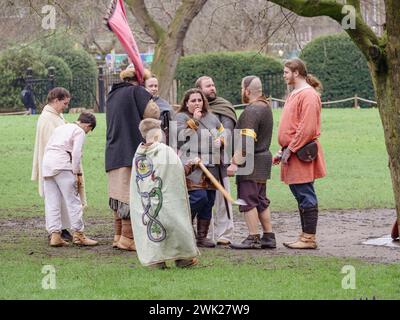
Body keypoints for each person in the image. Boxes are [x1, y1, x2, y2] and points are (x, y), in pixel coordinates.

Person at [130, 118, 199, 269]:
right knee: (176, 225)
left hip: (147, 201)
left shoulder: (139, 154)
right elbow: (179, 171)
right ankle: (183, 258)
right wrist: (191, 165)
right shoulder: (165, 151)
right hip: (165, 199)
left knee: (153, 226)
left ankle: (156, 261)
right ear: (157, 134)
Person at [273, 58, 326, 249]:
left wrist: (291, 148)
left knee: (305, 193)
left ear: (296, 73)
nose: (284, 75)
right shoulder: (295, 93)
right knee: (299, 192)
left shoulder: (309, 95)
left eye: (286, 72)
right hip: (293, 151)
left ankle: (308, 239)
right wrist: (283, 150)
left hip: (301, 151)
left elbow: (307, 128)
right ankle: (305, 236)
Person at [105, 65, 160, 251]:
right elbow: (153, 114)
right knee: (129, 196)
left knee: (117, 195)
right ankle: (127, 238)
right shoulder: (137, 92)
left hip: (113, 152)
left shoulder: (112, 95)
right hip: (131, 151)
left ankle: (118, 235)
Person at [227, 76, 276, 249]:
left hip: (251, 162)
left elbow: (247, 141)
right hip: (262, 159)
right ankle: (269, 236)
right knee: (261, 199)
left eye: (242, 88)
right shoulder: (265, 107)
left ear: (247, 90)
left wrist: (234, 162)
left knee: (248, 199)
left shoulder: (252, 110)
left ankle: (253, 237)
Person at [174, 88, 224, 248]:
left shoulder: (212, 117)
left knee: (209, 200)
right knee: (198, 197)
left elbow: (223, 133)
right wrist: (194, 121)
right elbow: (181, 138)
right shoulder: (181, 117)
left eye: (199, 100)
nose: (197, 103)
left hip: (212, 164)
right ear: (186, 103)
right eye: (193, 100)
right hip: (192, 164)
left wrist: (221, 141)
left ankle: (202, 237)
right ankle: (184, 226)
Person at [32, 87, 81, 242]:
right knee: (63, 199)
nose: (65, 106)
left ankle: (59, 231)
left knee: (57, 199)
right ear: (56, 100)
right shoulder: (47, 118)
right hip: (57, 164)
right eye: (64, 103)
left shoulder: (56, 116)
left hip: (54, 164)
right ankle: (69, 231)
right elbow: (53, 143)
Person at [42, 113, 98, 247]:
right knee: (73, 201)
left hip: (47, 164)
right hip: (63, 165)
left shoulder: (61, 128)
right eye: (88, 130)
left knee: (52, 202)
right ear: (87, 125)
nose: (87, 132)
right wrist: (77, 172)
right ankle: (79, 234)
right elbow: (76, 152)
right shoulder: (79, 131)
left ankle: (55, 235)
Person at [195, 76, 237, 245]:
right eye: (208, 86)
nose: (212, 88)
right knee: (203, 198)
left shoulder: (223, 106)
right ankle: (203, 235)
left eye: (213, 84)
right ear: (199, 89)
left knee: (221, 197)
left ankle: (224, 234)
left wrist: (221, 140)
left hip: (219, 159)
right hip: (198, 161)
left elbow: (228, 129)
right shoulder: (194, 107)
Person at [145, 75, 174, 144]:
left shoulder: (165, 105)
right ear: (144, 87)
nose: (154, 88)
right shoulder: (140, 103)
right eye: (151, 86)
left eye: (156, 86)